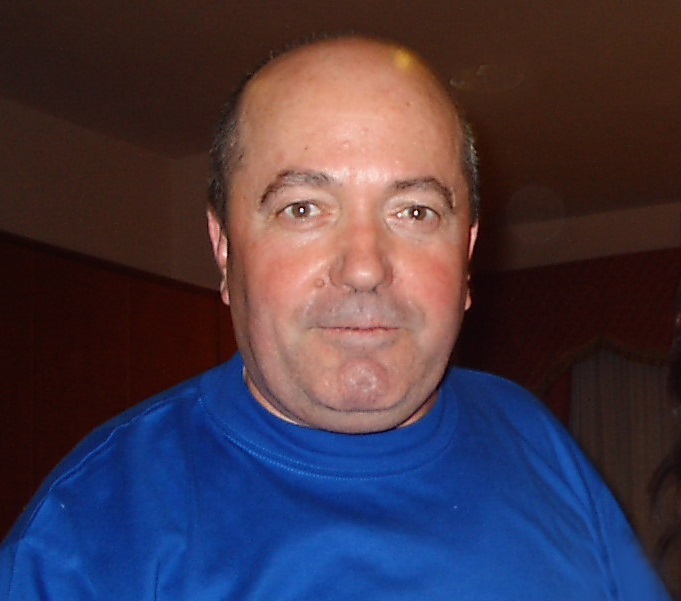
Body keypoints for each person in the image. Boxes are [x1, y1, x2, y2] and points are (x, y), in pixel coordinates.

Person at [0, 35, 671, 600]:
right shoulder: (91, 531)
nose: (364, 266)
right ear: (225, 249)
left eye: (414, 211)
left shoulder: (534, 438)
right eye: (302, 208)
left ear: (466, 256)